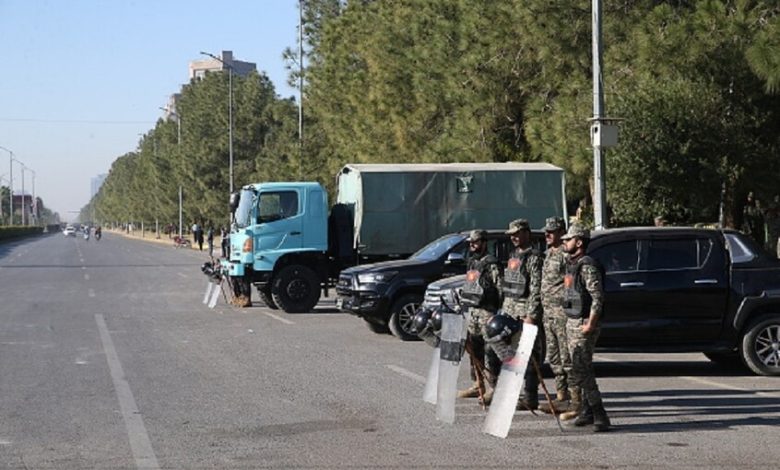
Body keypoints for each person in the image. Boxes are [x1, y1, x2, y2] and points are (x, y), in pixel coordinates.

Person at [560, 223, 610, 432]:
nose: (564, 242)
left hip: (583, 323)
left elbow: (597, 297)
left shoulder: (587, 265)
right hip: (572, 321)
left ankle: (600, 415)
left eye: (568, 239)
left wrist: (590, 324)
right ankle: (587, 412)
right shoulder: (572, 264)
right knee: (577, 368)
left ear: (579, 242)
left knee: (583, 369)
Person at [499, 219, 544, 410]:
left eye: (517, 234)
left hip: (525, 312)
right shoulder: (513, 255)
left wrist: (531, 315)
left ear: (527, 233)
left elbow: (536, 289)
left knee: (530, 356)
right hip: (510, 312)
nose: (514, 238)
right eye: (511, 235)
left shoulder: (535, 257)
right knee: (511, 355)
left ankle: (530, 397)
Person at [457, 229, 502, 402]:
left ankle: (494, 388)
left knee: (490, 351)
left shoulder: (491, 263)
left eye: (475, 242)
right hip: (473, 311)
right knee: (474, 350)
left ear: (484, 243)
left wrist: (498, 312)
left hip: (487, 312)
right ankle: (478, 384)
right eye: (471, 243)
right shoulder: (472, 262)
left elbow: (500, 288)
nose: (472, 245)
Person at [537, 216, 574, 416]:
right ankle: (561, 396)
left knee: (566, 358)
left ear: (561, 232)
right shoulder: (548, 253)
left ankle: (575, 399)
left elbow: (572, 283)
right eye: (546, 232)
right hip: (548, 313)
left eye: (551, 232)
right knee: (554, 357)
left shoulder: (566, 255)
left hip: (562, 314)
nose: (547, 235)